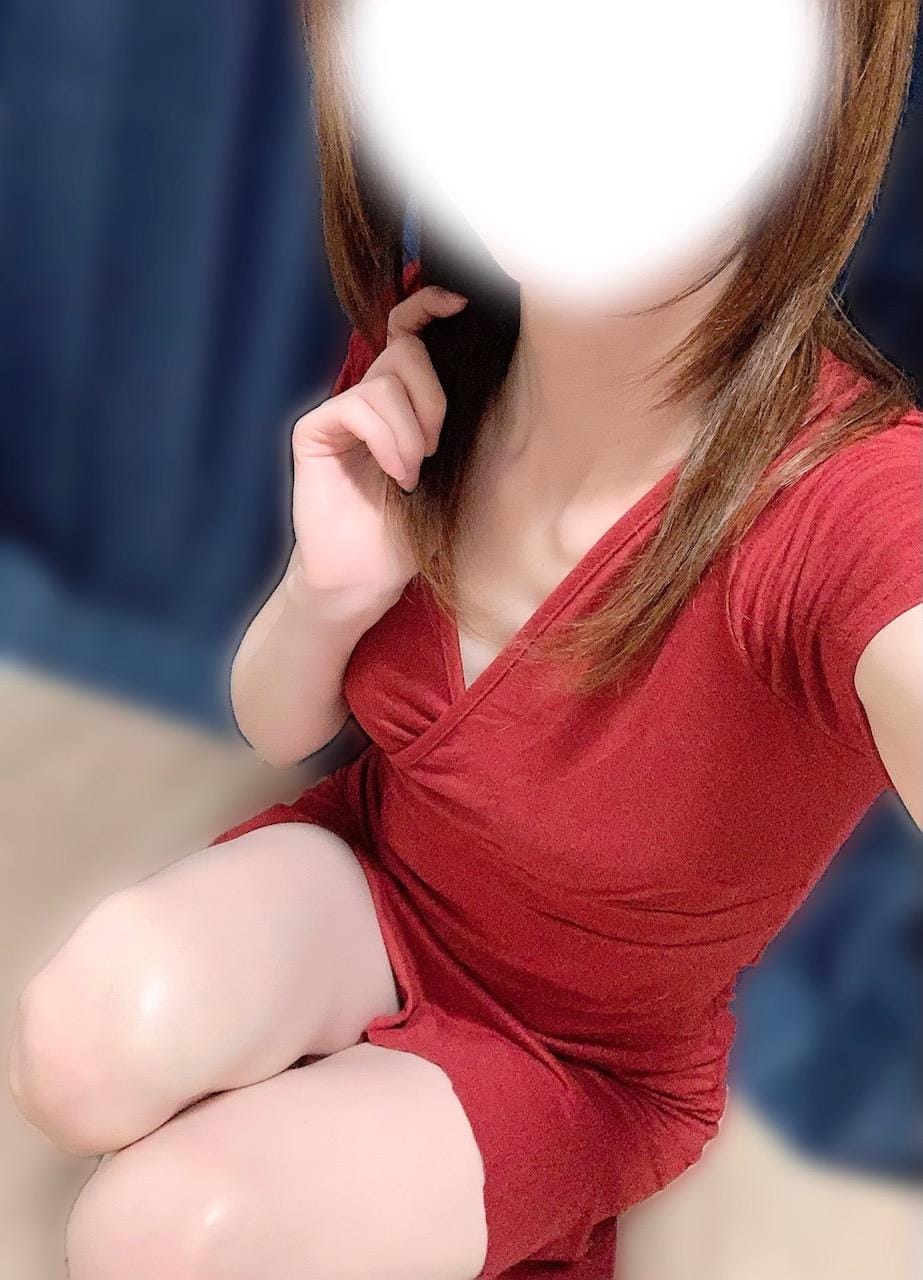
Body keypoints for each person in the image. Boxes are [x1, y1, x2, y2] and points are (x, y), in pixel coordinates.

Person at [8, 3, 922, 1278]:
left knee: (153, 1237)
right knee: (69, 1046)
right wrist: (329, 590)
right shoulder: (443, 340)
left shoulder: (847, 504)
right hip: (374, 877)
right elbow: (275, 721)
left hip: (577, 1053)